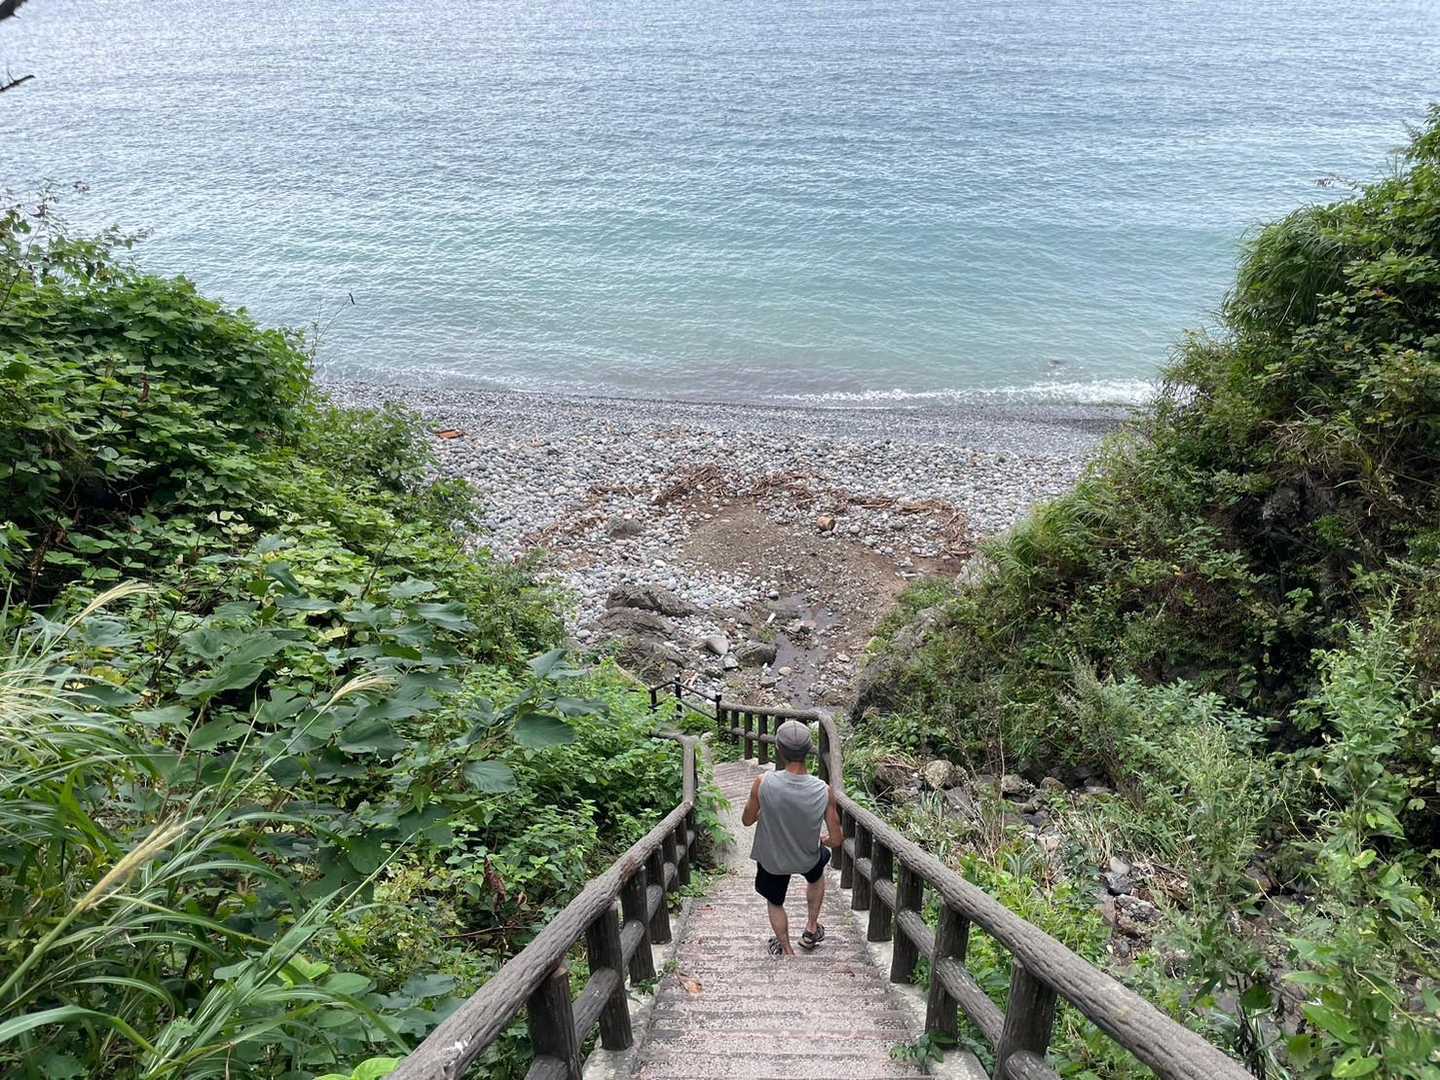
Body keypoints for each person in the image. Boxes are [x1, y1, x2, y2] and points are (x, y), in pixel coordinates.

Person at [741, 719, 843, 957]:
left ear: (779, 748)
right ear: (808, 750)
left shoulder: (763, 783)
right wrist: (824, 841)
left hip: (773, 861)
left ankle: (786, 949)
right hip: (807, 857)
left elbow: (747, 820)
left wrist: (762, 812)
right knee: (817, 869)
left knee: (775, 901)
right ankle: (811, 928)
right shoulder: (823, 790)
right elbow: (837, 839)